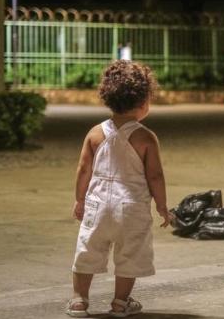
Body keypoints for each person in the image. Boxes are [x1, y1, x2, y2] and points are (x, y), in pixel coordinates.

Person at [66, 60, 175, 317]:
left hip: (98, 205)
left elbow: (83, 170)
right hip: (132, 208)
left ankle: (79, 300)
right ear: (143, 102)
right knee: (130, 255)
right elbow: (156, 176)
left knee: (88, 250)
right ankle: (120, 303)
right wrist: (162, 206)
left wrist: (79, 200)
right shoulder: (146, 138)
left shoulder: (94, 133)